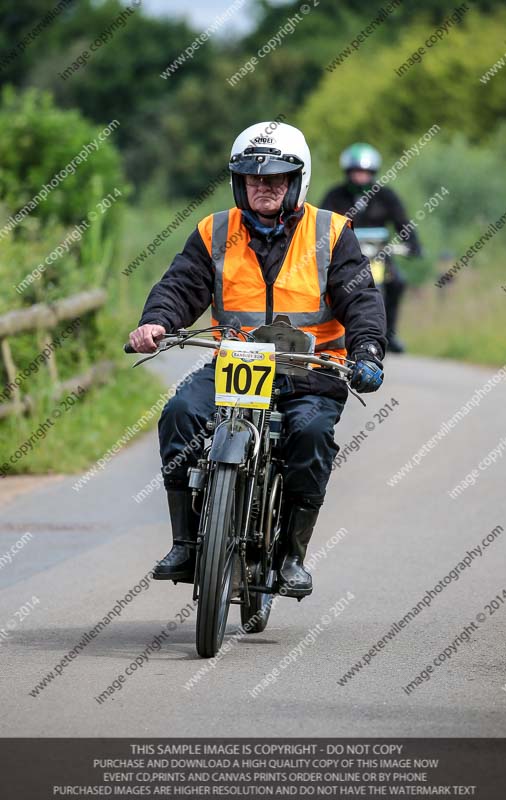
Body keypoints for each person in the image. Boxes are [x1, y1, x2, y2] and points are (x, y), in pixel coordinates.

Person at [128, 122, 386, 598]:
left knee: (309, 436)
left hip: (311, 373)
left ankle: (292, 557)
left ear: (297, 181)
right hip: (236, 365)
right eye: (252, 178)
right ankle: (185, 543)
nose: (263, 186)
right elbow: (180, 286)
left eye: (275, 178)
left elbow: (362, 301)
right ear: (238, 182)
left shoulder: (331, 232)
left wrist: (367, 351)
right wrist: (156, 322)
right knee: (180, 414)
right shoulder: (215, 230)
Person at [321, 143, 421, 353]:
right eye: (356, 171)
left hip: (380, 254)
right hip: (344, 256)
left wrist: (414, 245)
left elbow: (402, 222)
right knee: (331, 287)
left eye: (365, 172)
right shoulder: (334, 195)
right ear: (347, 172)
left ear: (373, 173)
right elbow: (323, 224)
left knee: (397, 283)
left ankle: (390, 333)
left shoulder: (386, 196)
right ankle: (331, 333)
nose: (361, 176)